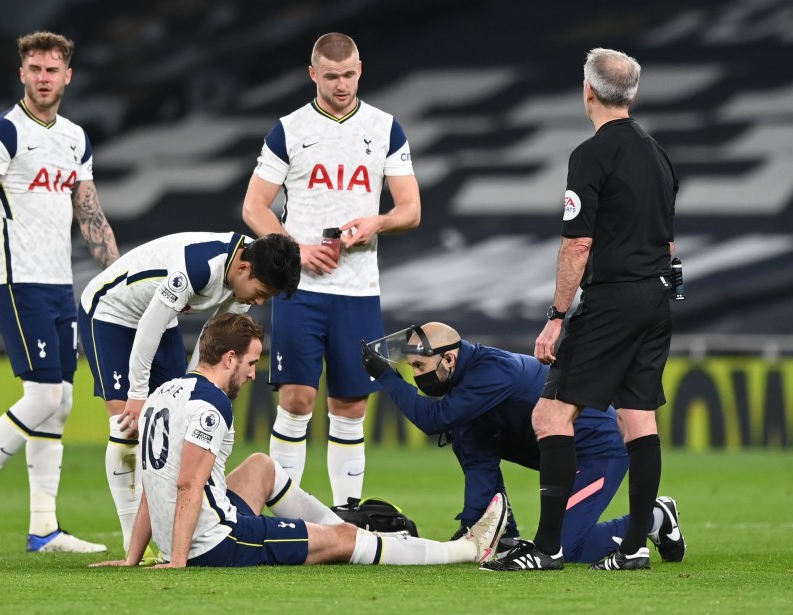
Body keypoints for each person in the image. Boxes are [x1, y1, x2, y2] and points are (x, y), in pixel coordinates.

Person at [89, 313, 506, 569]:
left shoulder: (165, 393)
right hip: (218, 542)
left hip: (186, 532)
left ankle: (348, 529)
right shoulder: (211, 406)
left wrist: (134, 556)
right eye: (251, 363)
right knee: (343, 544)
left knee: (260, 466)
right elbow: (186, 484)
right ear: (229, 358)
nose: (254, 374)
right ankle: (467, 551)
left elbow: (152, 481)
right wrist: (178, 560)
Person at [481, 48, 680, 572]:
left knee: (550, 414)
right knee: (638, 417)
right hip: (656, 295)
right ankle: (636, 545)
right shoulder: (658, 154)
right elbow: (669, 242)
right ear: (632, 94)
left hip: (613, 299)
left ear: (588, 91)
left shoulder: (591, 154)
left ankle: (547, 548)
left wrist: (555, 316)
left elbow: (577, 244)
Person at [0, 31, 119, 553]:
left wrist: (120, 280)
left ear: (68, 75)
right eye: (34, 69)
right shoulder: (4, 134)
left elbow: (92, 217)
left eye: (52, 69)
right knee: (43, 396)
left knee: (60, 403)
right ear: (22, 74)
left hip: (60, 285)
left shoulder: (75, 138)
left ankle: (44, 528)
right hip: (17, 284)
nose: (43, 78)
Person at [241, 32, 421, 506]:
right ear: (313, 75)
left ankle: (346, 514)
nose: (342, 85)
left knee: (350, 406)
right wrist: (295, 250)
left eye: (349, 75)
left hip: (358, 290)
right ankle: (285, 508)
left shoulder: (385, 129)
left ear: (360, 69)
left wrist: (376, 222)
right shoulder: (290, 129)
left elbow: (410, 209)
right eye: (331, 76)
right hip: (301, 290)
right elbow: (255, 207)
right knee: (296, 400)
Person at [361, 322, 686, 565]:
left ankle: (656, 516)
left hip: (597, 451)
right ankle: (504, 535)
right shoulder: (467, 384)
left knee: (568, 548)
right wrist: (477, 525)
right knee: (466, 436)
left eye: (420, 366)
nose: (417, 375)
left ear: (448, 359)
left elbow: (432, 419)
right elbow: (479, 461)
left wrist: (387, 378)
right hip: (562, 453)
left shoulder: (489, 373)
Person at [77, 232, 301, 552]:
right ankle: (133, 542)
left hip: (160, 318)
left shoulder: (251, 264)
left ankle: (170, 525)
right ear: (243, 269)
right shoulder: (197, 267)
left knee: (176, 417)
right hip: (111, 311)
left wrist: (197, 392)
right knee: (127, 422)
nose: (261, 302)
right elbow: (148, 327)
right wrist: (138, 393)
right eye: (262, 293)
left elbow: (213, 342)